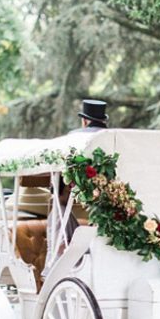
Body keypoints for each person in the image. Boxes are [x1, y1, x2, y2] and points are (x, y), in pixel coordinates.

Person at [43, 99, 109, 276]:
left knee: (58, 214)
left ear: (84, 121)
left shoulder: (75, 139)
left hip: (75, 245)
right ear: (104, 121)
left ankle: (54, 269)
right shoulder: (110, 141)